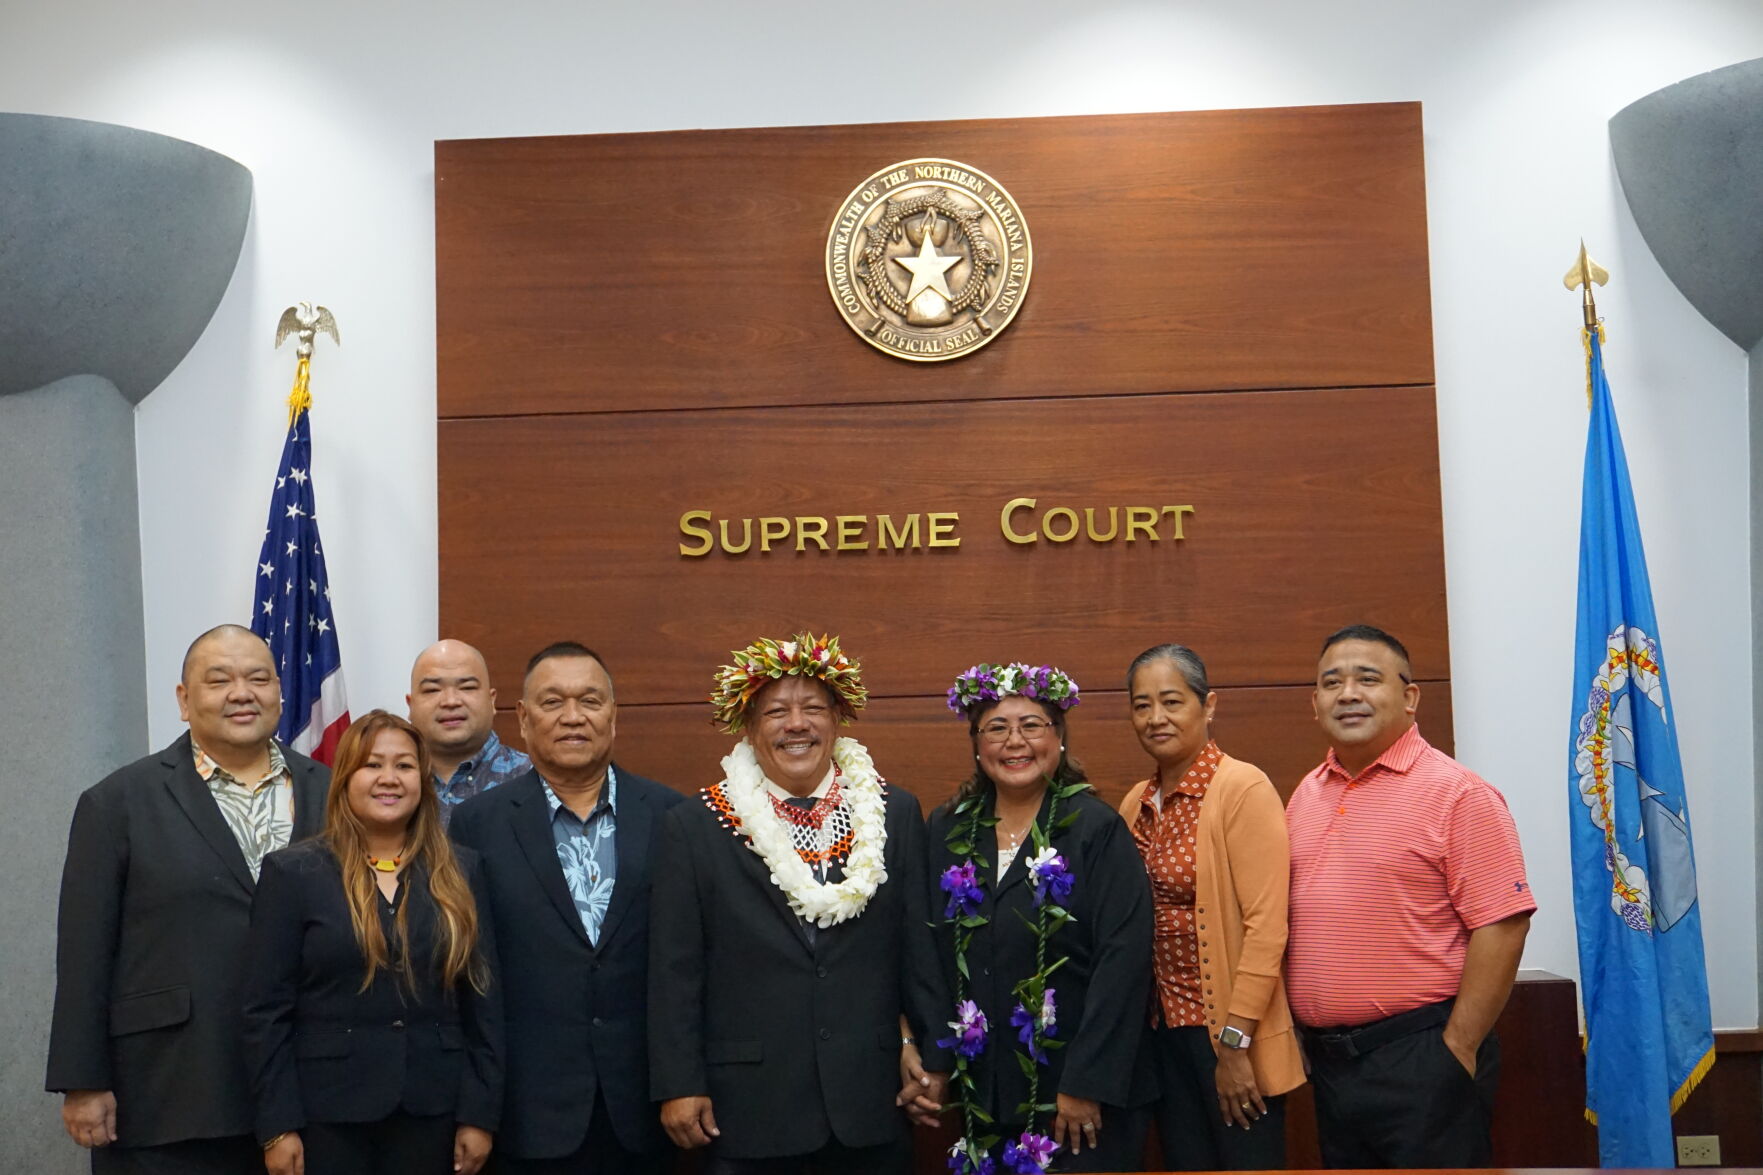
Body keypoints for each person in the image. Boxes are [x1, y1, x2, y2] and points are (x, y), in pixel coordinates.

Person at [650, 633, 950, 1175]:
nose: (797, 724)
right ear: (749, 726)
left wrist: (931, 1054)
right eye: (776, 712)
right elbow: (674, 971)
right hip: (748, 1106)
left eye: (813, 708)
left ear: (837, 720)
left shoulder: (895, 813)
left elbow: (917, 950)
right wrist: (679, 1083)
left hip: (870, 1099)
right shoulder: (696, 825)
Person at [46, 624, 330, 1173]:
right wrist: (82, 1080)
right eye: (219, 680)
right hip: (168, 1091)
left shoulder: (333, 789)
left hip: (310, 1089)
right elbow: (84, 951)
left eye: (257, 678)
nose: (241, 693)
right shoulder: (117, 804)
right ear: (183, 700)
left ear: (280, 691)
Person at [1286, 624, 1534, 1168]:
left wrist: (1458, 1048)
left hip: (1423, 1056)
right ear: (1315, 702)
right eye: (1332, 683)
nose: (1348, 694)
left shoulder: (1458, 793)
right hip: (1330, 1066)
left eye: (1368, 679)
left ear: (1410, 697)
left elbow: (1504, 923)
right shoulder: (1306, 794)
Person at [449, 641, 682, 1173]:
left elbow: (684, 966)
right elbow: (474, 977)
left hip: (643, 1108)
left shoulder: (671, 817)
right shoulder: (477, 824)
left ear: (614, 716)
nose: (573, 717)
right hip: (526, 1110)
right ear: (524, 721)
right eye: (553, 703)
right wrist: (477, 1107)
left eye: (590, 701)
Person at [240, 710, 502, 1175]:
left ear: (421, 780)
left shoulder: (461, 871)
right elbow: (264, 1011)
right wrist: (277, 1126)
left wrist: (480, 1114)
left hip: (434, 1111)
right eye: (372, 765)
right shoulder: (293, 873)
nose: (389, 778)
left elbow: (483, 1003)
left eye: (403, 766)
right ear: (345, 777)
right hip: (326, 1115)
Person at [930, 662, 1153, 1174]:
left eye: (1032, 725)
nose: (1015, 742)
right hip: (985, 1092)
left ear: (1060, 738)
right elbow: (928, 954)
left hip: (1078, 1099)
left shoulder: (1096, 829)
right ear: (976, 743)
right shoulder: (947, 830)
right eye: (996, 728)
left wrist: (1086, 1084)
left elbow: (1123, 962)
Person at [1116, 644, 1302, 1170]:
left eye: (1172, 701)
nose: (1156, 718)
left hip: (1228, 1035)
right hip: (1162, 1034)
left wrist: (1235, 1045)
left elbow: (1267, 927)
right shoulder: (1136, 802)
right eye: (1142, 705)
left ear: (1208, 704)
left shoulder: (1242, 788)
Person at [407, 639, 530, 826]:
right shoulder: (391, 784)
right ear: (411, 705)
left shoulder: (533, 779)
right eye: (433, 689)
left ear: (492, 701)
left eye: (467, 687)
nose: (450, 701)